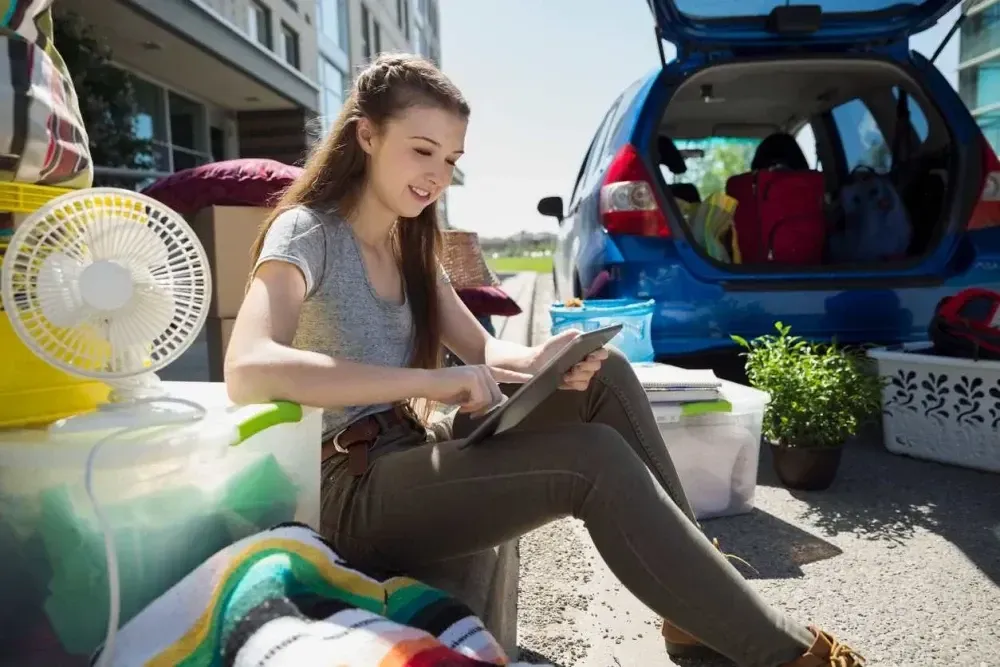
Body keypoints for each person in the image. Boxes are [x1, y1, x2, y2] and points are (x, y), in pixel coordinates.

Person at [224, 53, 866, 667]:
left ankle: (697, 598)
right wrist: (431, 381)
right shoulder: (307, 231)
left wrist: (543, 360)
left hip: (416, 447)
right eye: (422, 151)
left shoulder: (410, 240)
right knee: (591, 460)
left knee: (604, 375)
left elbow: (485, 350)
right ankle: (787, 656)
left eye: (450, 160)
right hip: (354, 485)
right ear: (366, 135)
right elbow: (249, 367)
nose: (436, 175)